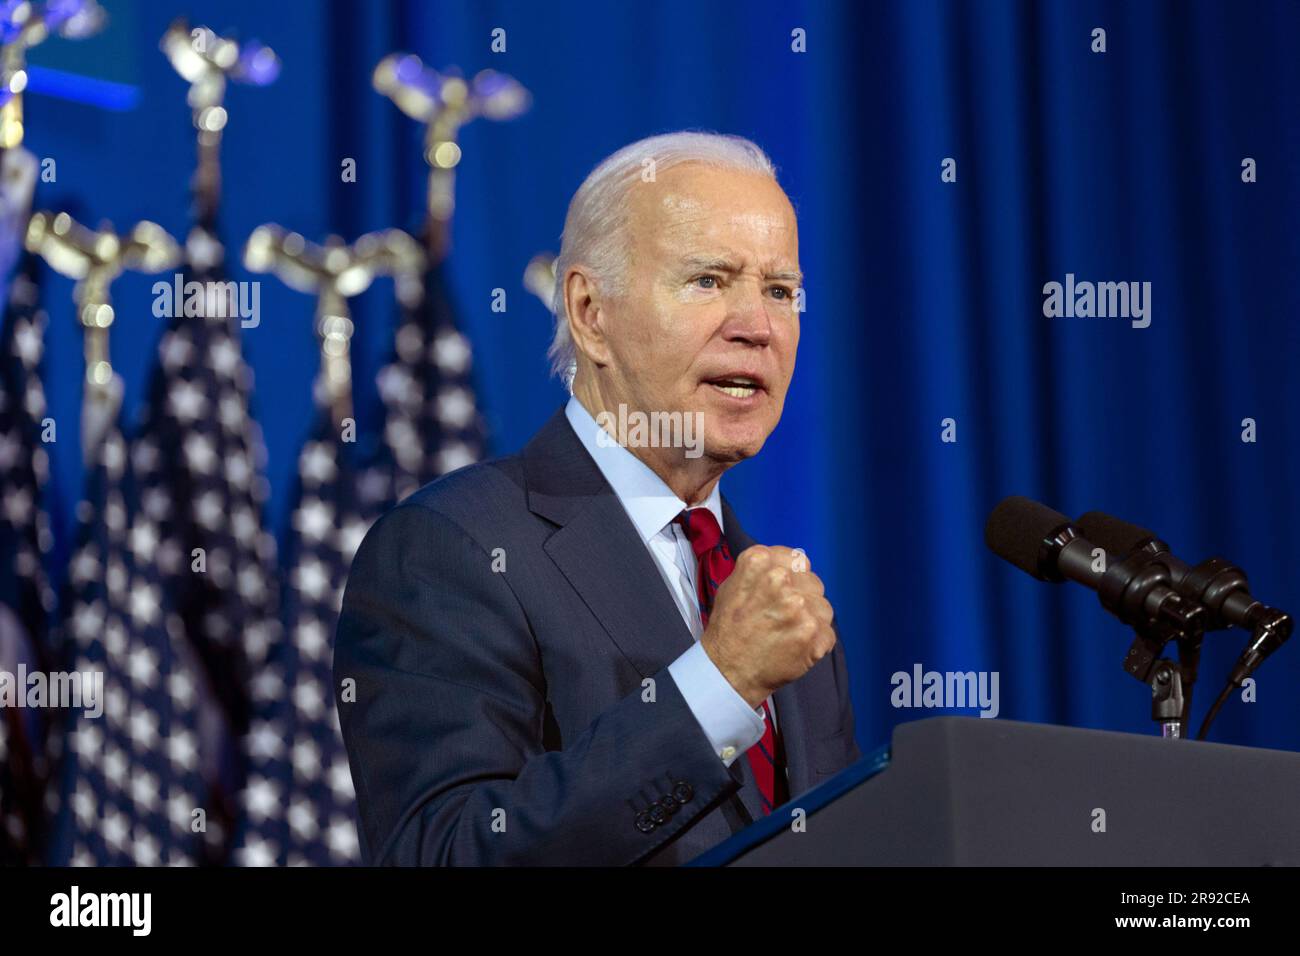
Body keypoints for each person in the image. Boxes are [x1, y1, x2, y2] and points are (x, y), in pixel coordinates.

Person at [334, 131, 860, 865]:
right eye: (709, 280)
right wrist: (720, 685)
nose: (759, 327)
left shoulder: (770, 598)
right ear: (590, 312)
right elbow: (447, 854)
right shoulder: (450, 550)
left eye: (779, 290)